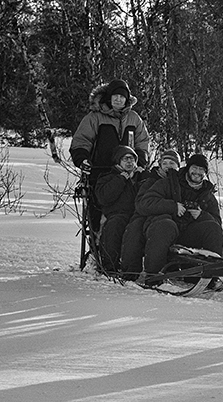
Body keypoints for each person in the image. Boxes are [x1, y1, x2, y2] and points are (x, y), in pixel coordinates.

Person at [69, 79, 150, 261]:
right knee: (99, 217)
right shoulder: (95, 117)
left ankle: (130, 252)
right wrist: (82, 159)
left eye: (122, 97)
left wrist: (141, 160)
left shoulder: (134, 119)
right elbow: (81, 141)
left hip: (130, 174)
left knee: (131, 212)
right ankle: (99, 251)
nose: (119, 100)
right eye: (115, 96)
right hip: (100, 174)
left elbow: (143, 142)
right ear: (108, 97)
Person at [136, 152, 223, 276]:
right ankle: (153, 275)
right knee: (165, 225)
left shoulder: (207, 194)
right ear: (188, 168)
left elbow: (217, 222)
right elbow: (145, 203)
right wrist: (173, 206)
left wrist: (201, 215)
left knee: (213, 228)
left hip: (188, 233)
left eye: (201, 169)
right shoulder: (169, 183)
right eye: (194, 168)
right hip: (164, 230)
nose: (197, 172)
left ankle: (209, 275)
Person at [120, 148, 181, 276]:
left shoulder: (181, 182)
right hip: (146, 217)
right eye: (165, 163)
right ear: (160, 165)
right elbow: (142, 204)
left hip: (172, 220)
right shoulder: (150, 181)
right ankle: (132, 271)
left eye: (172, 163)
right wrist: (171, 206)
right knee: (135, 230)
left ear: (178, 166)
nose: (168, 167)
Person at [93, 145, 148, 274]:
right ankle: (110, 266)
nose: (129, 162)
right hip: (116, 214)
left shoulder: (141, 176)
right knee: (114, 226)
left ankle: (134, 270)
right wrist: (121, 179)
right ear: (118, 161)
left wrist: (142, 176)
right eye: (125, 159)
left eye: (132, 159)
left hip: (138, 214)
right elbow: (104, 198)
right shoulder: (107, 178)